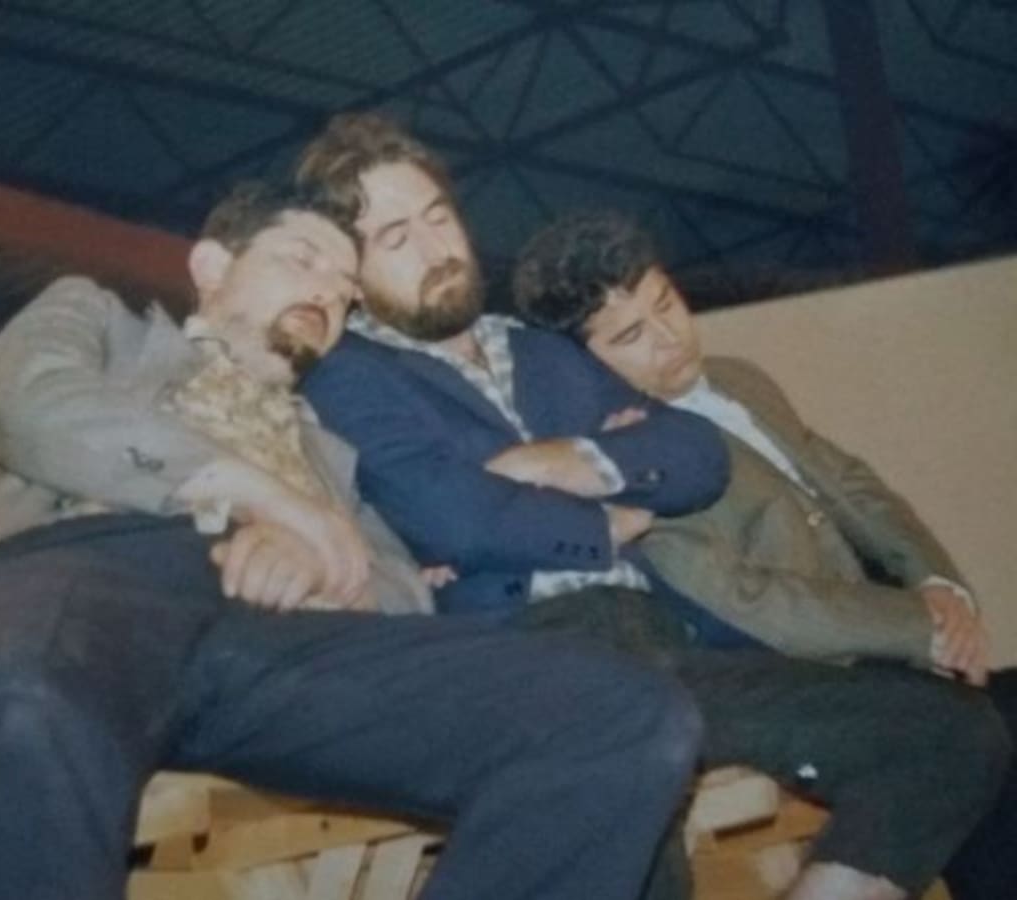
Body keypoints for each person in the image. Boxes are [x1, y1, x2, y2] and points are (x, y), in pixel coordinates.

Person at [0, 183, 704, 900]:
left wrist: (331, 570)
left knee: (625, 714)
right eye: (303, 259)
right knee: (29, 705)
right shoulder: (101, 322)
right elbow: (28, 400)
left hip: (283, 644)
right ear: (213, 266)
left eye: (345, 288)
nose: (328, 291)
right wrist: (264, 500)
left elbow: (404, 587)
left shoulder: (331, 446)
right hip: (94, 578)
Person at [295, 112, 1010, 900]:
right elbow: (454, 518)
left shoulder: (545, 350)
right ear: (350, 276)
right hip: (529, 657)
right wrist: (607, 515)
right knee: (639, 824)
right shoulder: (350, 377)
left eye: (438, 217)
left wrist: (563, 461)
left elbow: (694, 456)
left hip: (664, 643)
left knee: (949, 735)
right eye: (396, 238)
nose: (436, 249)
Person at [511, 208, 1017, 900]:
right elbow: (748, 601)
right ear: (581, 364)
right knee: (979, 739)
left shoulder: (738, 378)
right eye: (631, 335)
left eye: (668, 303)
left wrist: (940, 587)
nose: (670, 338)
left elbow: (852, 484)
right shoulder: (627, 458)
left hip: (883, 624)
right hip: (803, 668)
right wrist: (916, 626)